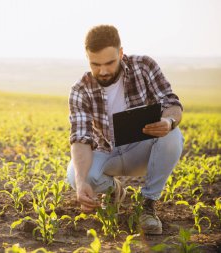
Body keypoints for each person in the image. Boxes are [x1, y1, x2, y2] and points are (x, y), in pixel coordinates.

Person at [66, 25, 184, 235]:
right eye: (95, 64)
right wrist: (82, 181)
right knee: (75, 174)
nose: (102, 71)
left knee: (173, 135)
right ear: (87, 58)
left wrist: (168, 122)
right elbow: (80, 139)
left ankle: (147, 205)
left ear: (121, 53)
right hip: (106, 151)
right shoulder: (80, 89)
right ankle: (113, 192)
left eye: (110, 62)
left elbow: (172, 103)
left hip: (140, 149)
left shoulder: (144, 66)